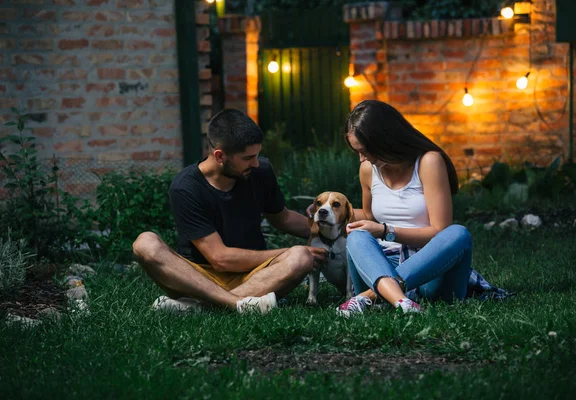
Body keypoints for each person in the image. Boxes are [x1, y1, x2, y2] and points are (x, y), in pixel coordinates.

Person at [132, 109, 326, 315]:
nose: (255, 163)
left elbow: (284, 218)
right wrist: (284, 252)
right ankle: (236, 304)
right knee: (145, 243)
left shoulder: (260, 172)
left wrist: (336, 228)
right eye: (247, 157)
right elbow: (220, 259)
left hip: (255, 275)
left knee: (301, 257)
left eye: (257, 155)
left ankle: (202, 308)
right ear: (219, 156)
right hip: (200, 279)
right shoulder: (186, 187)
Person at [334, 100, 473, 317]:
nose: (362, 158)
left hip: (429, 271)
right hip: (380, 264)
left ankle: (370, 297)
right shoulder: (367, 169)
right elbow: (369, 217)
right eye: (357, 152)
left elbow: (440, 233)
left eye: (366, 150)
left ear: (386, 139)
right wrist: (329, 212)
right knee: (357, 237)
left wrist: (385, 230)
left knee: (458, 234)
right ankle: (402, 302)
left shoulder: (428, 162)